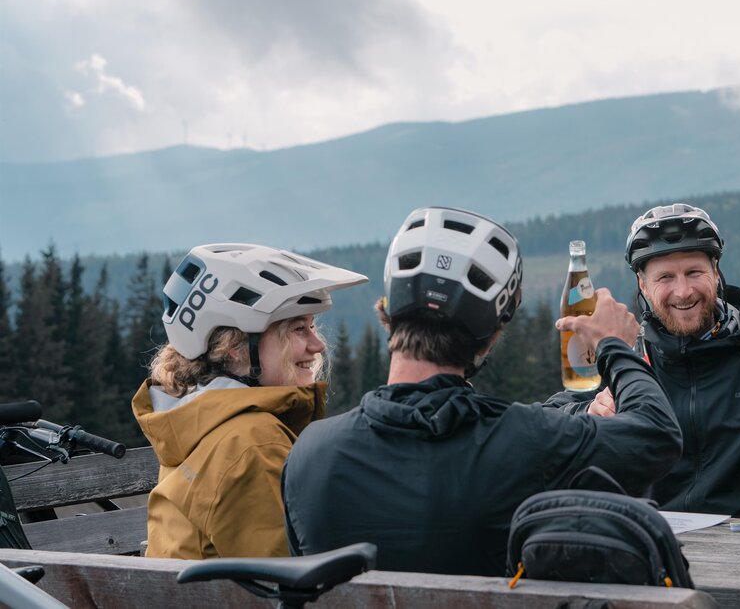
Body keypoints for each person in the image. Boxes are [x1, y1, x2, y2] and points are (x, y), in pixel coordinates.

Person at [282, 206, 682, 575]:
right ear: (491, 337)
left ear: (387, 316)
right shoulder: (525, 441)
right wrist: (615, 344)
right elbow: (657, 435)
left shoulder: (311, 454)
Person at [546, 203, 740, 518]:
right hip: (654, 540)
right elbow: (550, 420)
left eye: (694, 272)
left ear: (715, 273)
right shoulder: (627, 357)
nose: (683, 291)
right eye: (665, 277)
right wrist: (587, 411)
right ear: (643, 285)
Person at [132, 243, 368, 559]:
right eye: (299, 329)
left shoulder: (197, 420)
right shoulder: (250, 444)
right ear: (237, 346)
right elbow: (289, 581)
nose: (318, 345)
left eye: (312, 326)